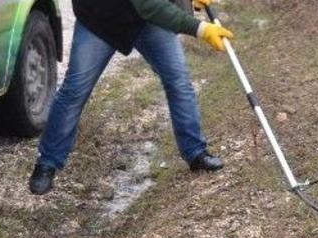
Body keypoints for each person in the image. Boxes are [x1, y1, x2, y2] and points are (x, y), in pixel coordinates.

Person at [28, 0, 234, 195]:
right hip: (100, 18)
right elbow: (147, 4)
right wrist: (201, 29)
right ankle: (47, 163)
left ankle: (196, 153)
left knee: (179, 82)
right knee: (74, 90)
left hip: (145, 20)